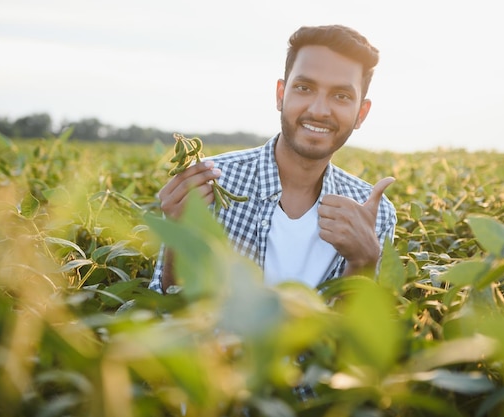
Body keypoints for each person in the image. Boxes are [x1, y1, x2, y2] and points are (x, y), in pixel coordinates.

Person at [150, 24, 396, 294]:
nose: (318, 110)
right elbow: (168, 309)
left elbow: (356, 334)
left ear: (361, 113)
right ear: (281, 95)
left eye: (341, 96)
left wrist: (363, 261)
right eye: (304, 88)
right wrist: (178, 236)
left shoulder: (375, 214)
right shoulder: (210, 184)